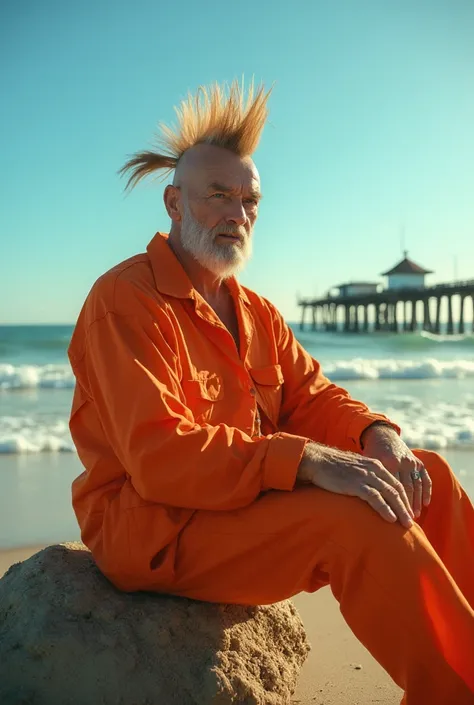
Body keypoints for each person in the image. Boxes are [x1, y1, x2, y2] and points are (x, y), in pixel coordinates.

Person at [68, 81, 474, 704]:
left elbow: (310, 398)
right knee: (355, 518)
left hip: (232, 510)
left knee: (428, 480)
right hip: (154, 531)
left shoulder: (254, 310)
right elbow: (160, 457)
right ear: (174, 203)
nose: (238, 214)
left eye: (250, 200)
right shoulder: (126, 300)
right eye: (219, 196)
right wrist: (309, 461)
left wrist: (376, 435)